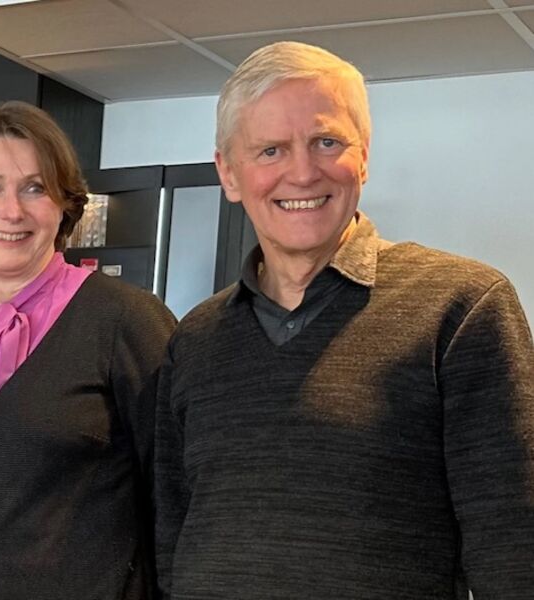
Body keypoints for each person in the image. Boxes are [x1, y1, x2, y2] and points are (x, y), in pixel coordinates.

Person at [154, 40, 534, 599]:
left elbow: (514, 549)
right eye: (270, 151)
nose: (302, 173)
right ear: (229, 175)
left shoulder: (461, 307)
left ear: (364, 156)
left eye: (326, 142)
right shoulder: (195, 338)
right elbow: (174, 539)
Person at [0, 101, 176, 599]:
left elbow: (176, 500)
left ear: (64, 204)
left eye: (35, 188)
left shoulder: (125, 322)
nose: (11, 211)